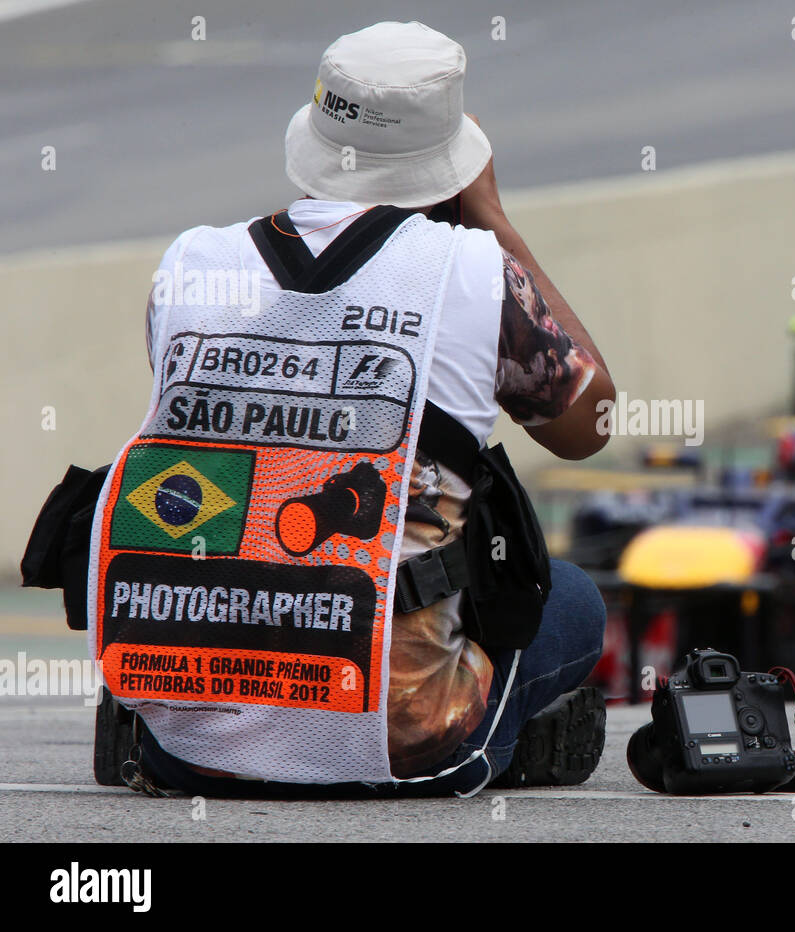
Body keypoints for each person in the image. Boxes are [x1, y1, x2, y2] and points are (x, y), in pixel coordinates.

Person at [103, 21, 614, 797]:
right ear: (451, 167)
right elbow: (590, 425)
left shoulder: (191, 264)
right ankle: (499, 742)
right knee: (569, 598)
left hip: (187, 738)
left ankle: (195, 719)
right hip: (393, 740)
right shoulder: (474, 271)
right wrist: (492, 220)